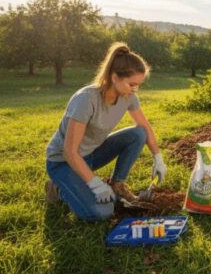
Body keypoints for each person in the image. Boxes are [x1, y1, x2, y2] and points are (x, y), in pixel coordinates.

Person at [44, 42, 167, 221]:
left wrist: (158, 157)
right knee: (101, 212)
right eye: (131, 84)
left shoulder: (128, 97)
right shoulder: (86, 100)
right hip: (64, 162)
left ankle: (118, 185)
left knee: (138, 133)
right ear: (115, 77)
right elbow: (70, 152)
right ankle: (57, 189)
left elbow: (145, 127)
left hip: (91, 155)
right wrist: (95, 184)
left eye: (138, 85)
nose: (135, 90)